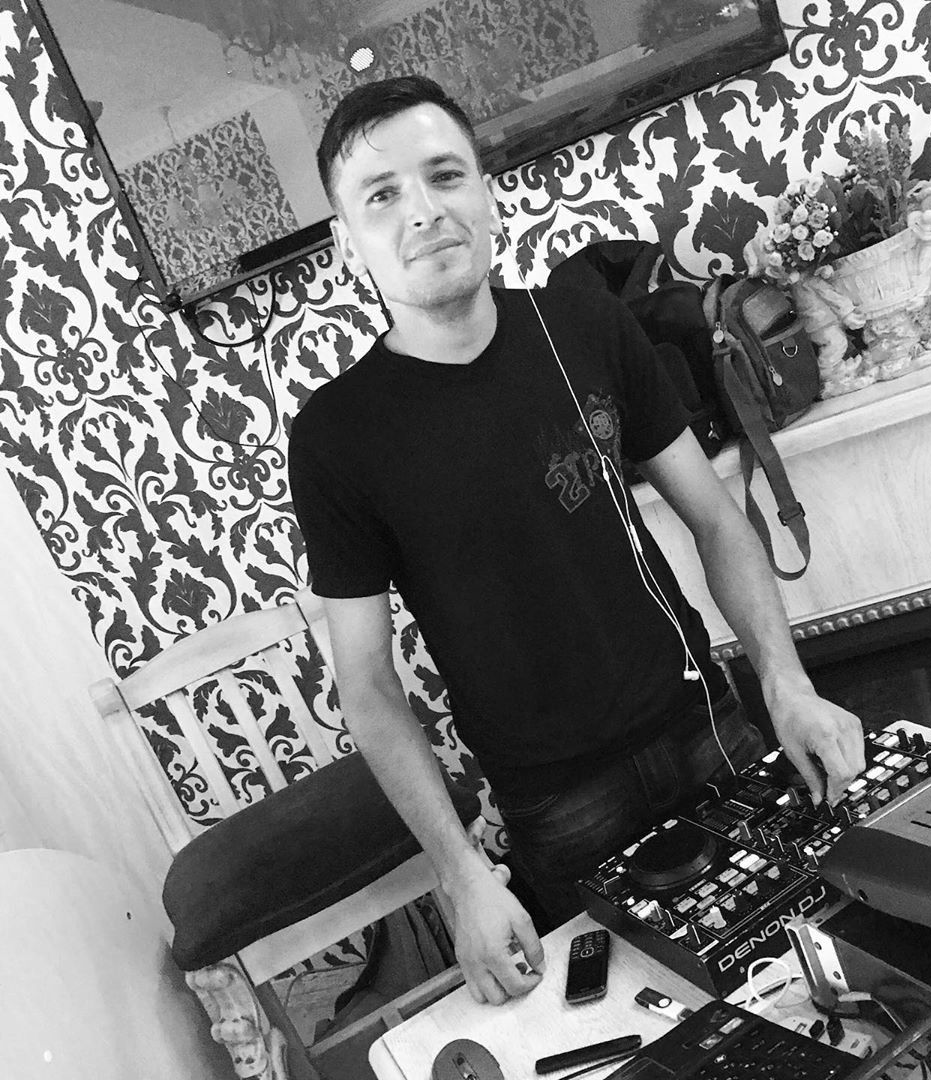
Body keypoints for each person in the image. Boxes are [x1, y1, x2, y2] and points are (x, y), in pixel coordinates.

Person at [288, 75, 865, 1007]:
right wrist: (461, 873)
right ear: (347, 239)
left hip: (705, 725)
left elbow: (715, 517)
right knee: (652, 1031)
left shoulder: (585, 323)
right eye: (382, 194)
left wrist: (786, 683)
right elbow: (367, 683)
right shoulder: (334, 437)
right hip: (557, 806)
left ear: (486, 194)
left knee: (815, 986)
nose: (424, 211)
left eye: (445, 175)